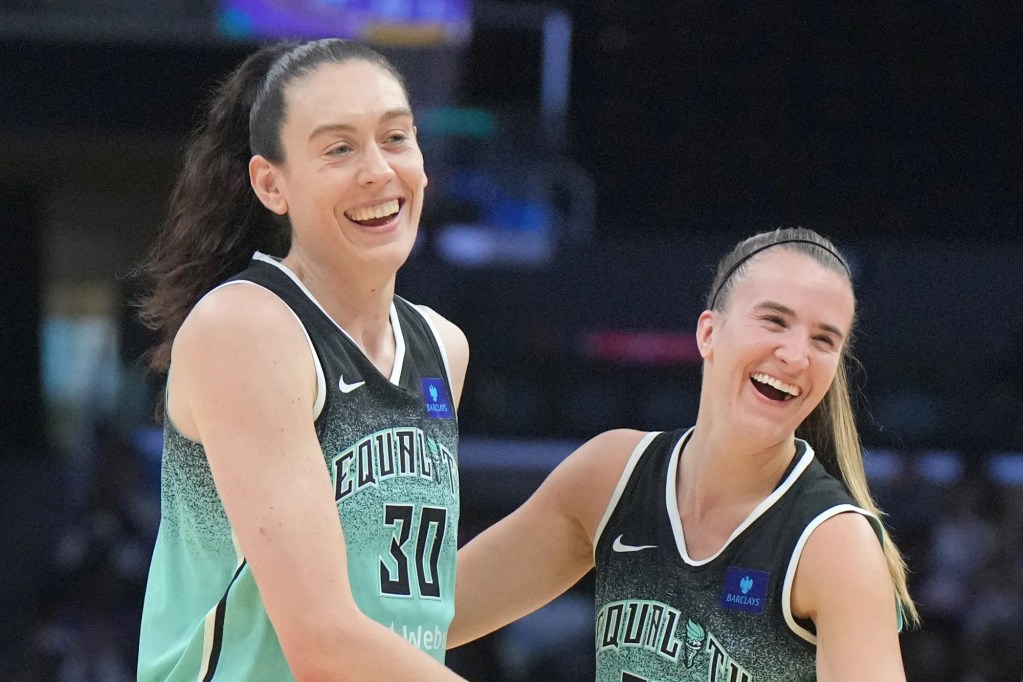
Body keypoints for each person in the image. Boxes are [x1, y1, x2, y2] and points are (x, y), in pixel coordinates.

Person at [135, 39, 470, 681]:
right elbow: (323, 644)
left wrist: (590, 516)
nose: (378, 170)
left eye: (396, 137)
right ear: (272, 184)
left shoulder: (440, 347)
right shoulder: (248, 327)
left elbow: (409, 612)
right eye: (339, 148)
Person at [449, 227, 918, 680]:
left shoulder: (836, 545)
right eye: (774, 320)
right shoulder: (612, 476)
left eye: (824, 340)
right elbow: (430, 615)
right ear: (709, 334)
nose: (796, 355)